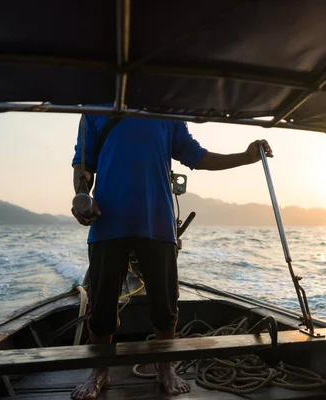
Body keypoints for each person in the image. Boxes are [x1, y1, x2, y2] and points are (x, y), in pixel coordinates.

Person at [70, 112, 273, 400]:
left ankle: (166, 368)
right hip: (108, 221)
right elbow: (83, 162)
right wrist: (81, 197)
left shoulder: (166, 111)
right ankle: (99, 371)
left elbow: (197, 157)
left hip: (158, 223)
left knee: (165, 304)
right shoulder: (94, 109)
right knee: (101, 306)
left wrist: (245, 156)